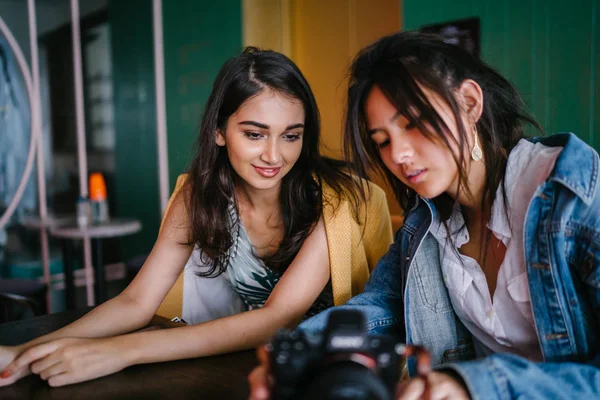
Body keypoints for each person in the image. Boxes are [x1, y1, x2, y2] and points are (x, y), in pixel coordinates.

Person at [0, 47, 393, 387]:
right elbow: (137, 300)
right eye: (254, 134)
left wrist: (118, 352)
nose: (275, 156)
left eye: (291, 135)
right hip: (241, 364)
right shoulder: (198, 195)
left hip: (334, 373)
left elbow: (280, 317)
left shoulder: (338, 200)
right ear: (220, 131)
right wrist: (26, 353)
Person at [248, 31, 600, 399]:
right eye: (382, 141)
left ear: (469, 102)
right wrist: (295, 359)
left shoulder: (575, 196)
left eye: (413, 123)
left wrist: (474, 385)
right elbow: (379, 308)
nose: (398, 154)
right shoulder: (426, 225)